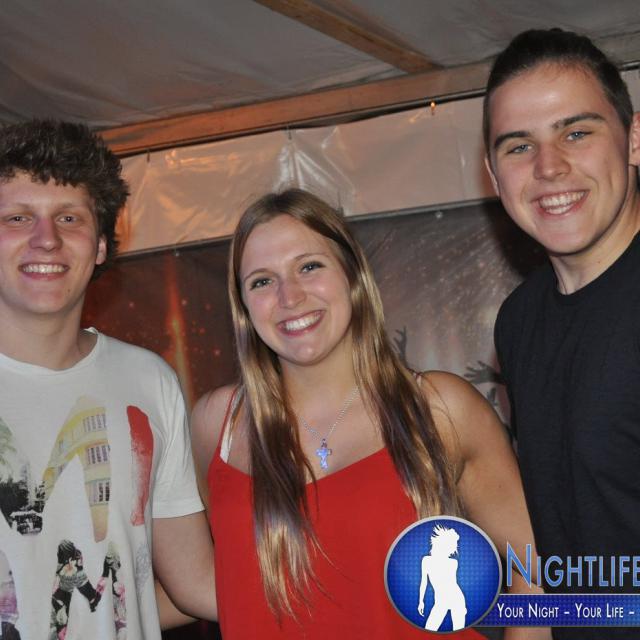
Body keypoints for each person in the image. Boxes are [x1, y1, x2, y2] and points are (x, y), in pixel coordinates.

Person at [192, 188, 548, 639]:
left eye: (309, 266)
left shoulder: (439, 408)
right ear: (243, 306)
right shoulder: (217, 424)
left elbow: (535, 569)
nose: (290, 296)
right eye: (262, 281)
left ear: (353, 275)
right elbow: (210, 581)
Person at [0, 119, 216, 638]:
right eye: (18, 218)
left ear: (99, 246)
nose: (46, 239)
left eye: (69, 218)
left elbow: (195, 586)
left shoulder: (149, 381)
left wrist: (353, 558)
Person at [483, 28, 640, 640]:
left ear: (633, 139)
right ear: (493, 176)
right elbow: (563, 548)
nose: (549, 167)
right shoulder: (520, 320)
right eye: (519, 146)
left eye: (576, 133)